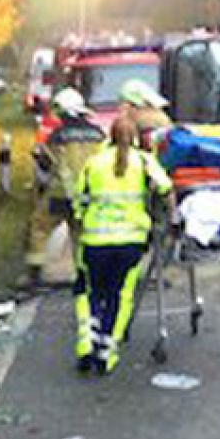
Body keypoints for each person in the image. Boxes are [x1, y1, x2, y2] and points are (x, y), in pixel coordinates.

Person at [70, 114, 173, 374]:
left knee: (93, 291)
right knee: (118, 295)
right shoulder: (144, 161)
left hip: (95, 241)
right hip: (131, 242)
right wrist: (169, 220)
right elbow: (165, 189)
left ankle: (87, 341)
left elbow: (79, 201)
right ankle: (106, 351)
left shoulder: (93, 163)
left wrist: (82, 222)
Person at [26, 87, 104, 289]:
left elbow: (49, 163)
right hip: (89, 194)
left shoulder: (58, 136)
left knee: (39, 226)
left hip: (61, 194)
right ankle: (83, 273)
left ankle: (34, 274)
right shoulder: (98, 135)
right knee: (79, 233)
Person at [119, 78, 172, 149]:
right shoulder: (157, 115)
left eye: (123, 102)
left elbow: (148, 146)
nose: (121, 107)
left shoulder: (147, 120)